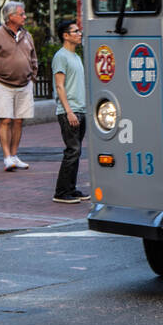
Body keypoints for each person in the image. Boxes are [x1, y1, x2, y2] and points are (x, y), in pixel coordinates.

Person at [0, 1, 38, 172]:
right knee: (5, 120)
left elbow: (33, 58)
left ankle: (14, 155)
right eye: (21, 14)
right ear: (10, 17)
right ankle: (6, 157)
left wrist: (33, 77)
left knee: (19, 121)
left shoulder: (27, 36)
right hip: (2, 84)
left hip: (25, 84)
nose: (24, 17)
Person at [51, 20, 89, 203]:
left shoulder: (76, 57)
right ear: (66, 36)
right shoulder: (61, 56)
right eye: (75, 31)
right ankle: (61, 192)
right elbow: (60, 86)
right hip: (70, 111)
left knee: (77, 151)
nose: (79, 34)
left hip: (81, 110)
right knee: (72, 150)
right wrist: (69, 111)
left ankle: (71, 189)